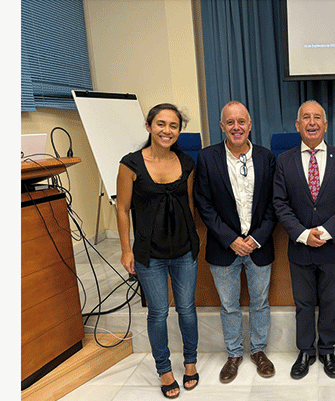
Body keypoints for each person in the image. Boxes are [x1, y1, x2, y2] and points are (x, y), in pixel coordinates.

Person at [116, 103, 200, 398]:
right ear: (149, 126)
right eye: (161, 124)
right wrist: (127, 250)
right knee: (159, 312)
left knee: (187, 310)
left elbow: (188, 204)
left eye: (173, 126)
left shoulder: (188, 162)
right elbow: (123, 209)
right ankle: (164, 369)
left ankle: (191, 363)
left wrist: (193, 242)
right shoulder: (130, 164)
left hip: (184, 251)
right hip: (149, 254)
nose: (167, 130)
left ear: (179, 130)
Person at [193, 101, 277, 383]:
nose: (236, 127)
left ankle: (258, 352)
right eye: (230, 122)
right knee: (228, 305)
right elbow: (203, 204)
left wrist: (254, 238)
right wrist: (231, 240)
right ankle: (233, 354)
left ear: (250, 125)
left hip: (259, 246)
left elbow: (273, 205)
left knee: (260, 302)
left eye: (241, 121)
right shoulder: (207, 158)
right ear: (221, 127)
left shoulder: (267, 157)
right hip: (223, 247)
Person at [273, 100, 335, 380]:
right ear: (297, 125)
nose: (311, 122)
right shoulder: (283, 161)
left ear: (326, 125)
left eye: (317, 117)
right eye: (305, 118)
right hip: (300, 247)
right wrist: (303, 234)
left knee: (331, 303)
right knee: (304, 304)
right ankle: (306, 351)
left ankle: (328, 350)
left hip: (333, 247)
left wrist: (327, 231)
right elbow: (280, 203)